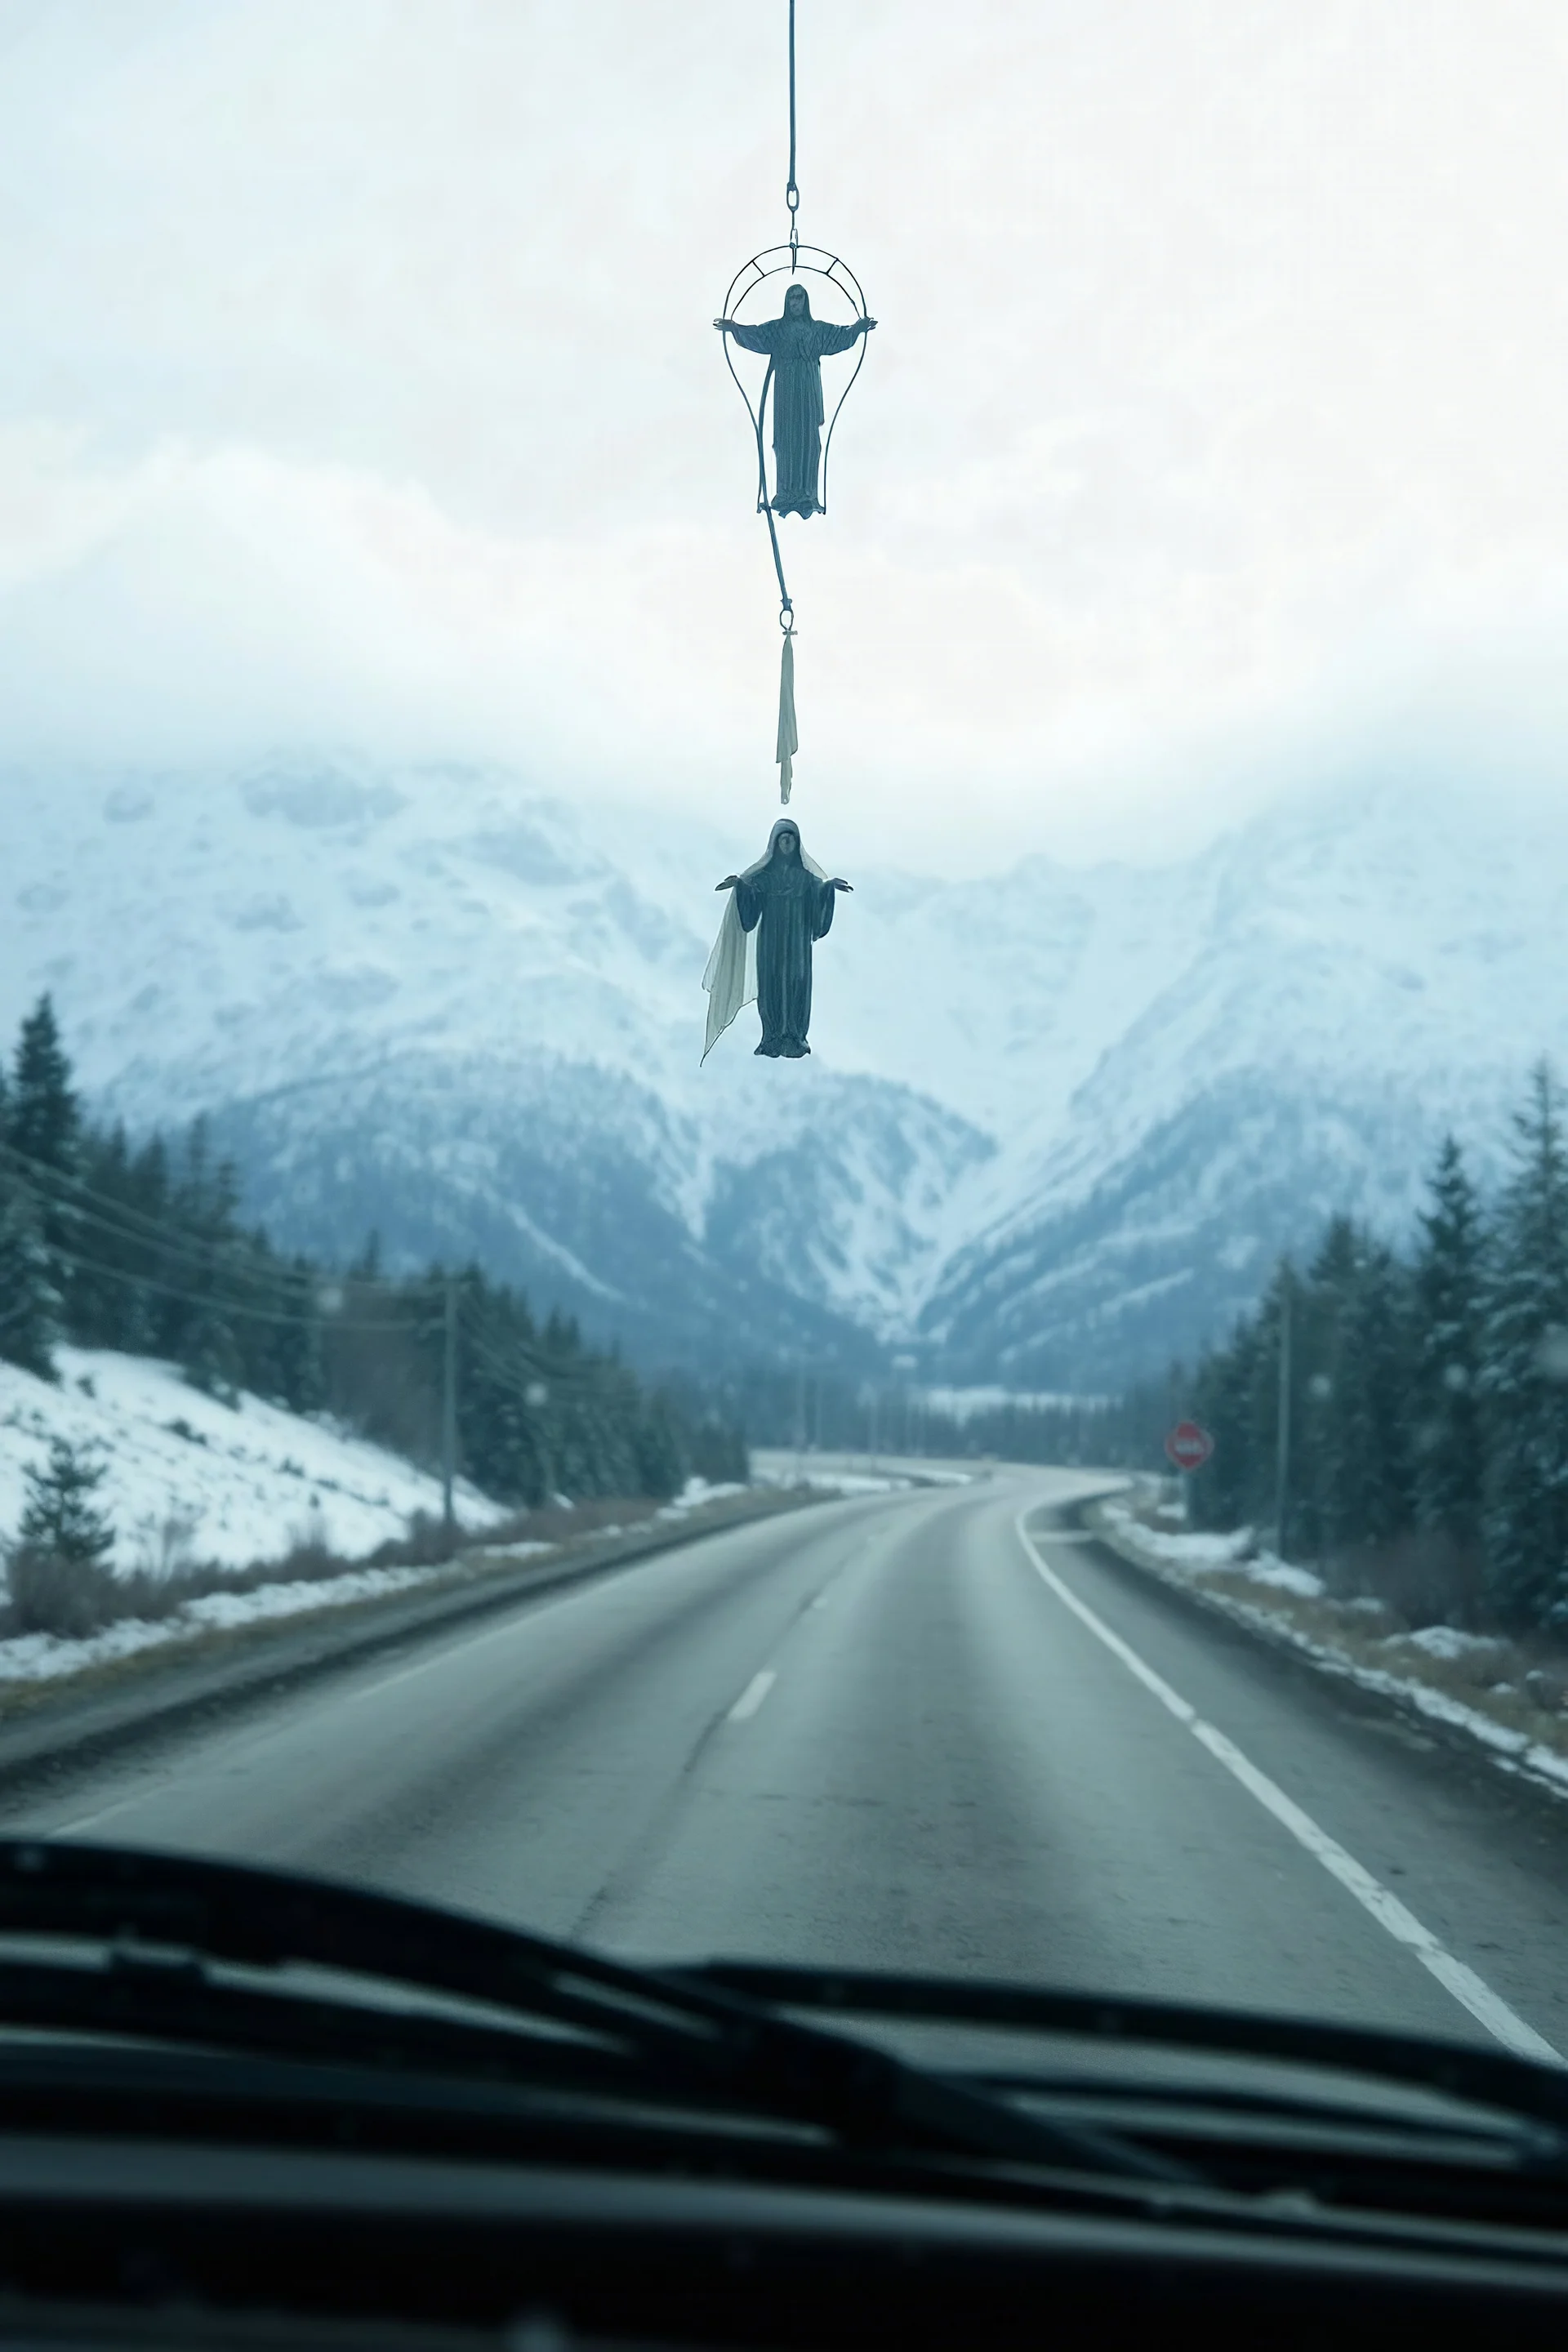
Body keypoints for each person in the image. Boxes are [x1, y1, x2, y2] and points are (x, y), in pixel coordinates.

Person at [715, 284, 876, 516]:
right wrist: (734, 328)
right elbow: (757, 335)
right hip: (786, 390)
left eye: (799, 298)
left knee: (809, 441)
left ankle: (808, 493)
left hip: (808, 390)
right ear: (787, 302)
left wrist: (858, 328)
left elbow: (839, 335)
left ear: (805, 301)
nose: (795, 303)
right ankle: (785, 493)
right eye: (791, 299)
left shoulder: (816, 330)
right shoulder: (778, 329)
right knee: (785, 440)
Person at [703, 821, 852, 1060]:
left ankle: (795, 1034)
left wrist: (828, 889)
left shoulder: (806, 879)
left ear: (797, 843)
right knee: (771, 981)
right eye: (783, 839)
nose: (787, 843)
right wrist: (740, 886)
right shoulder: (764, 878)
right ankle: (771, 1035)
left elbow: (818, 898)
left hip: (797, 943)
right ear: (774, 843)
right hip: (770, 942)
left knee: (797, 981)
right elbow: (750, 910)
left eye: (791, 839)